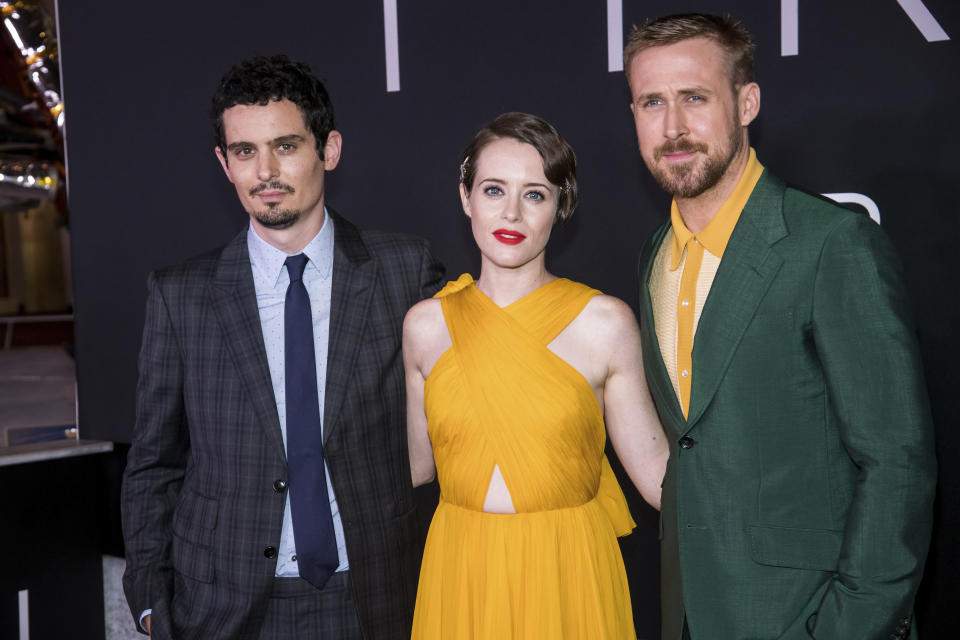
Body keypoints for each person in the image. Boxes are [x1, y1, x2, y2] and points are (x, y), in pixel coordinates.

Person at [624, 13, 937, 640]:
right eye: (651, 102)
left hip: (807, 615)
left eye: (694, 97)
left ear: (747, 102)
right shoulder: (655, 256)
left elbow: (896, 462)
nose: (673, 126)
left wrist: (850, 626)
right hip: (689, 615)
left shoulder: (831, 244)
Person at [121, 55, 444, 640]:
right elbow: (153, 463)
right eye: (245, 151)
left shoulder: (405, 271)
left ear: (330, 149)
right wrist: (149, 601)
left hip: (373, 598)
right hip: (223, 607)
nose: (266, 170)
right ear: (224, 163)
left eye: (286, 145)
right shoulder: (180, 295)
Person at [403, 112, 669, 639]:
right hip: (462, 571)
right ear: (466, 197)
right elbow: (416, 469)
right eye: (494, 189)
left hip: (568, 569)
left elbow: (660, 477)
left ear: (560, 207)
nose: (511, 212)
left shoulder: (605, 323)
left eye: (535, 194)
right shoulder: (425, 326)